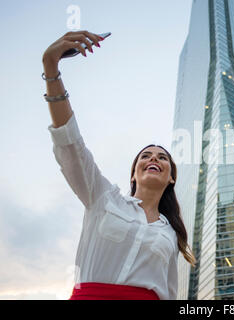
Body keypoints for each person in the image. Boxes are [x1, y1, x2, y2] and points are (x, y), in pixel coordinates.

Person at [41, 30, 196, 300]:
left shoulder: (169, 234)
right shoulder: (102, 198)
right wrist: (51, 67)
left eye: (162, 157)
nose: (154, 159)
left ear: (171, 177)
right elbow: (70, 144)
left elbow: (170, 293)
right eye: (146, 156)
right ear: (134, 173)